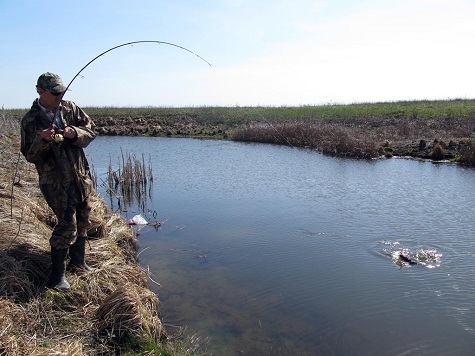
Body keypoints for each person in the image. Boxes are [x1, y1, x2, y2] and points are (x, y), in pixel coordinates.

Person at [21, 72, 96, 291]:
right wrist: (42, 140)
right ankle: (57, 277)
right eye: (55, 93)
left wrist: (75, 132)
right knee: (66, 225)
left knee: (83, 217)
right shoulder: (30, 120)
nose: (59, 96)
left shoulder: (70, 108)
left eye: (62, 92)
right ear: (40, 91)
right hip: (54, 183)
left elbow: (91, 131)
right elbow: (30, 155)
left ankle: (79, 262)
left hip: (79, 177)